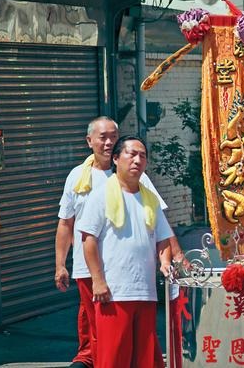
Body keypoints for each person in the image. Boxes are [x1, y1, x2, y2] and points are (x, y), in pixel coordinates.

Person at [54, 117, 170, 368]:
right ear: (89, 141)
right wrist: (60, 264)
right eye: (103, 137)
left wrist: (171, 260)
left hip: (136, 279)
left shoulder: (140, 180)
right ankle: (87, 359)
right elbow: (67, 224)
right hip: (94, 271)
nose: (108, 142)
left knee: (140, 344)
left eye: (114, 137)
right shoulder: (79, 178)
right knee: (99, 332)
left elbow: (162, 229)